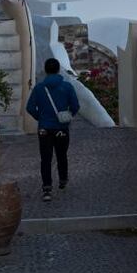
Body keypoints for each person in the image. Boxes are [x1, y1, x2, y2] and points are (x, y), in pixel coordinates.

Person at [25, 58, 80, 202]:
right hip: (61, 128)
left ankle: (47, 188)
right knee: (62, 155)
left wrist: (41, 118)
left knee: (46, 159)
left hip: (44, 128)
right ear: (58, 70)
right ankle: (62, 180)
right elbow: (75, 106)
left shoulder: (39, 88)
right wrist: (67, 116)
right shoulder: (67, 87)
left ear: (45, 70)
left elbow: (30, 107)